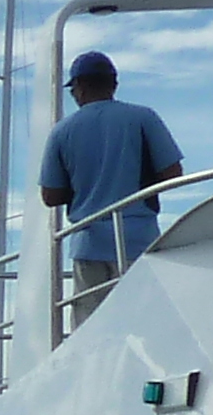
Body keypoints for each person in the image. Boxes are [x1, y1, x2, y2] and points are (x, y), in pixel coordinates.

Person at [38, 49, 183, 322]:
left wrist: (83, 185)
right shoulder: (143, 118)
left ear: (78, 87)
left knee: (92, 331)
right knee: (146, 322)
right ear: (114, 84)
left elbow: (50, 195)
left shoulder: (61, 131)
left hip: (88, 242)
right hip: (137, 239)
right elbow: (173, 172)